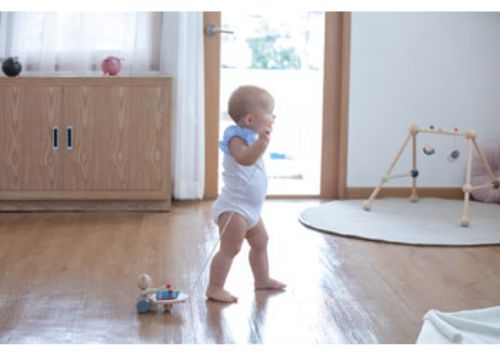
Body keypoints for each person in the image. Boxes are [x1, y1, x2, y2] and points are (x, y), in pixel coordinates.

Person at [206, 85, 286, 303]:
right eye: (269, 112)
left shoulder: (252, 136)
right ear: (250, 119)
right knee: (230, 248)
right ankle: (215, 287)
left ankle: (262, 279)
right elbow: (244, 159)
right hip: (234, 208)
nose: (273, 116)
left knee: (261, 241)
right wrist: (261, 143)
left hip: (251, 210)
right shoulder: (235, 138)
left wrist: (260, 142)